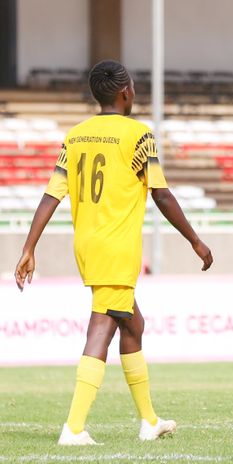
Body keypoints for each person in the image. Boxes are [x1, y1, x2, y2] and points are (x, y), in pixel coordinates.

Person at [14, 59, 213, 445]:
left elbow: (52, 194)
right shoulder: (139, 137)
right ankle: (73, 427)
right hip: (118, 247)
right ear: (125, 93)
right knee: (102, 326)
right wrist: (195, 240)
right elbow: (162, 194)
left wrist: (29, 246)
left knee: (133, 324)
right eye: (134, 87)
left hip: (88, 245)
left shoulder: (76, 136)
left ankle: (149, 421)